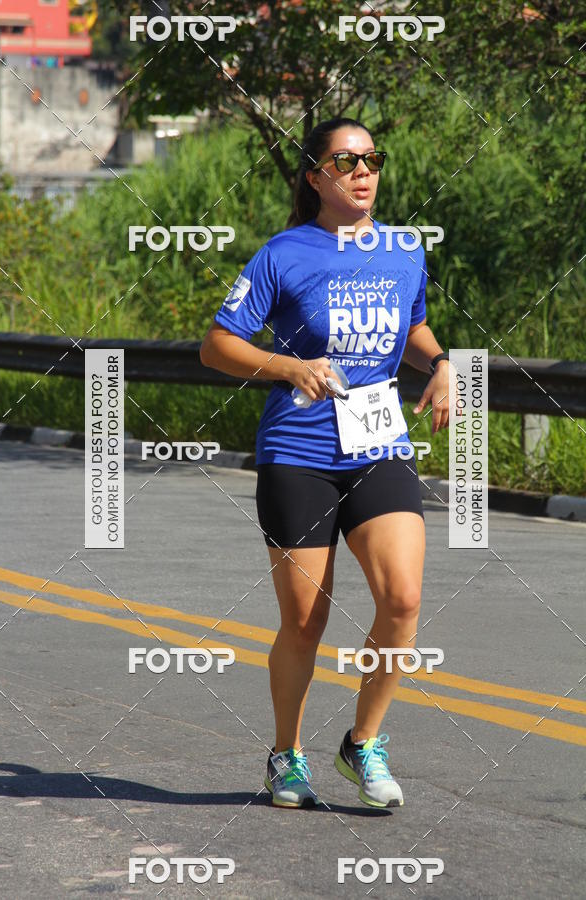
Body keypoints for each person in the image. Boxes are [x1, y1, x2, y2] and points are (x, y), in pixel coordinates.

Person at [200, 117, 451, 810]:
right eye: (347, 161)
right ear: (316, 177)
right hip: (300, 451)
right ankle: (286, 755)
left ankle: (362, 744)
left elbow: (414, 325)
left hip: (378, 445)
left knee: (401, 599)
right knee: (306, 621)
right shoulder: (284, 254)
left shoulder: (404, 250)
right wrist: (286, 365)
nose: (364, 170)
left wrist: (441, 364)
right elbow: (218, 345)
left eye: (372, 158)